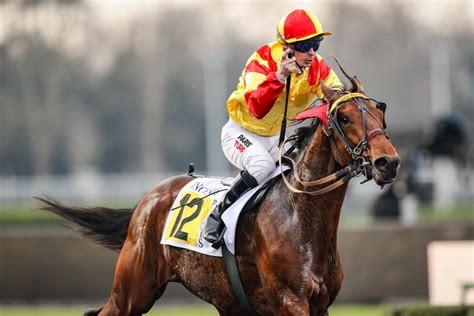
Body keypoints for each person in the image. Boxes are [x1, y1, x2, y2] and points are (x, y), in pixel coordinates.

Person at [203, 9, 343, 247]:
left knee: (297, 171)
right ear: (287, 47)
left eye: (316, 45)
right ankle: (218, 213)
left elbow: (336, 93)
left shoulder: (315, 66)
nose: (311, 53)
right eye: (306, 45)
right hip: (240, 132)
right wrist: (278, 77)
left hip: (274, 139)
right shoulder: (262, 60)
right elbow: (257, 107)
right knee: (262, 167)